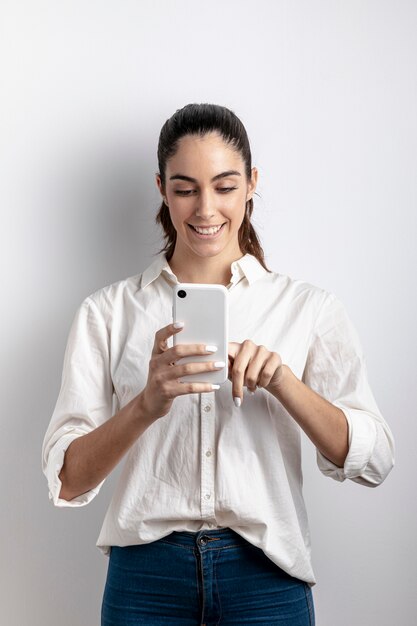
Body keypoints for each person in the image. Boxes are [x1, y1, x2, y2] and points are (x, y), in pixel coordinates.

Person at [41, 103, 395, 626]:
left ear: (252, 183)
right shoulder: (107, 312)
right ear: (161, 189)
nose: (206, 209)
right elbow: (67, 479)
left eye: (225, 187)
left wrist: (282, 382)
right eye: (185, 189)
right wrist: (146, 404)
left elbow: (376, 460)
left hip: (266, 572)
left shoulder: (308, 309)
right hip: (146, 578)